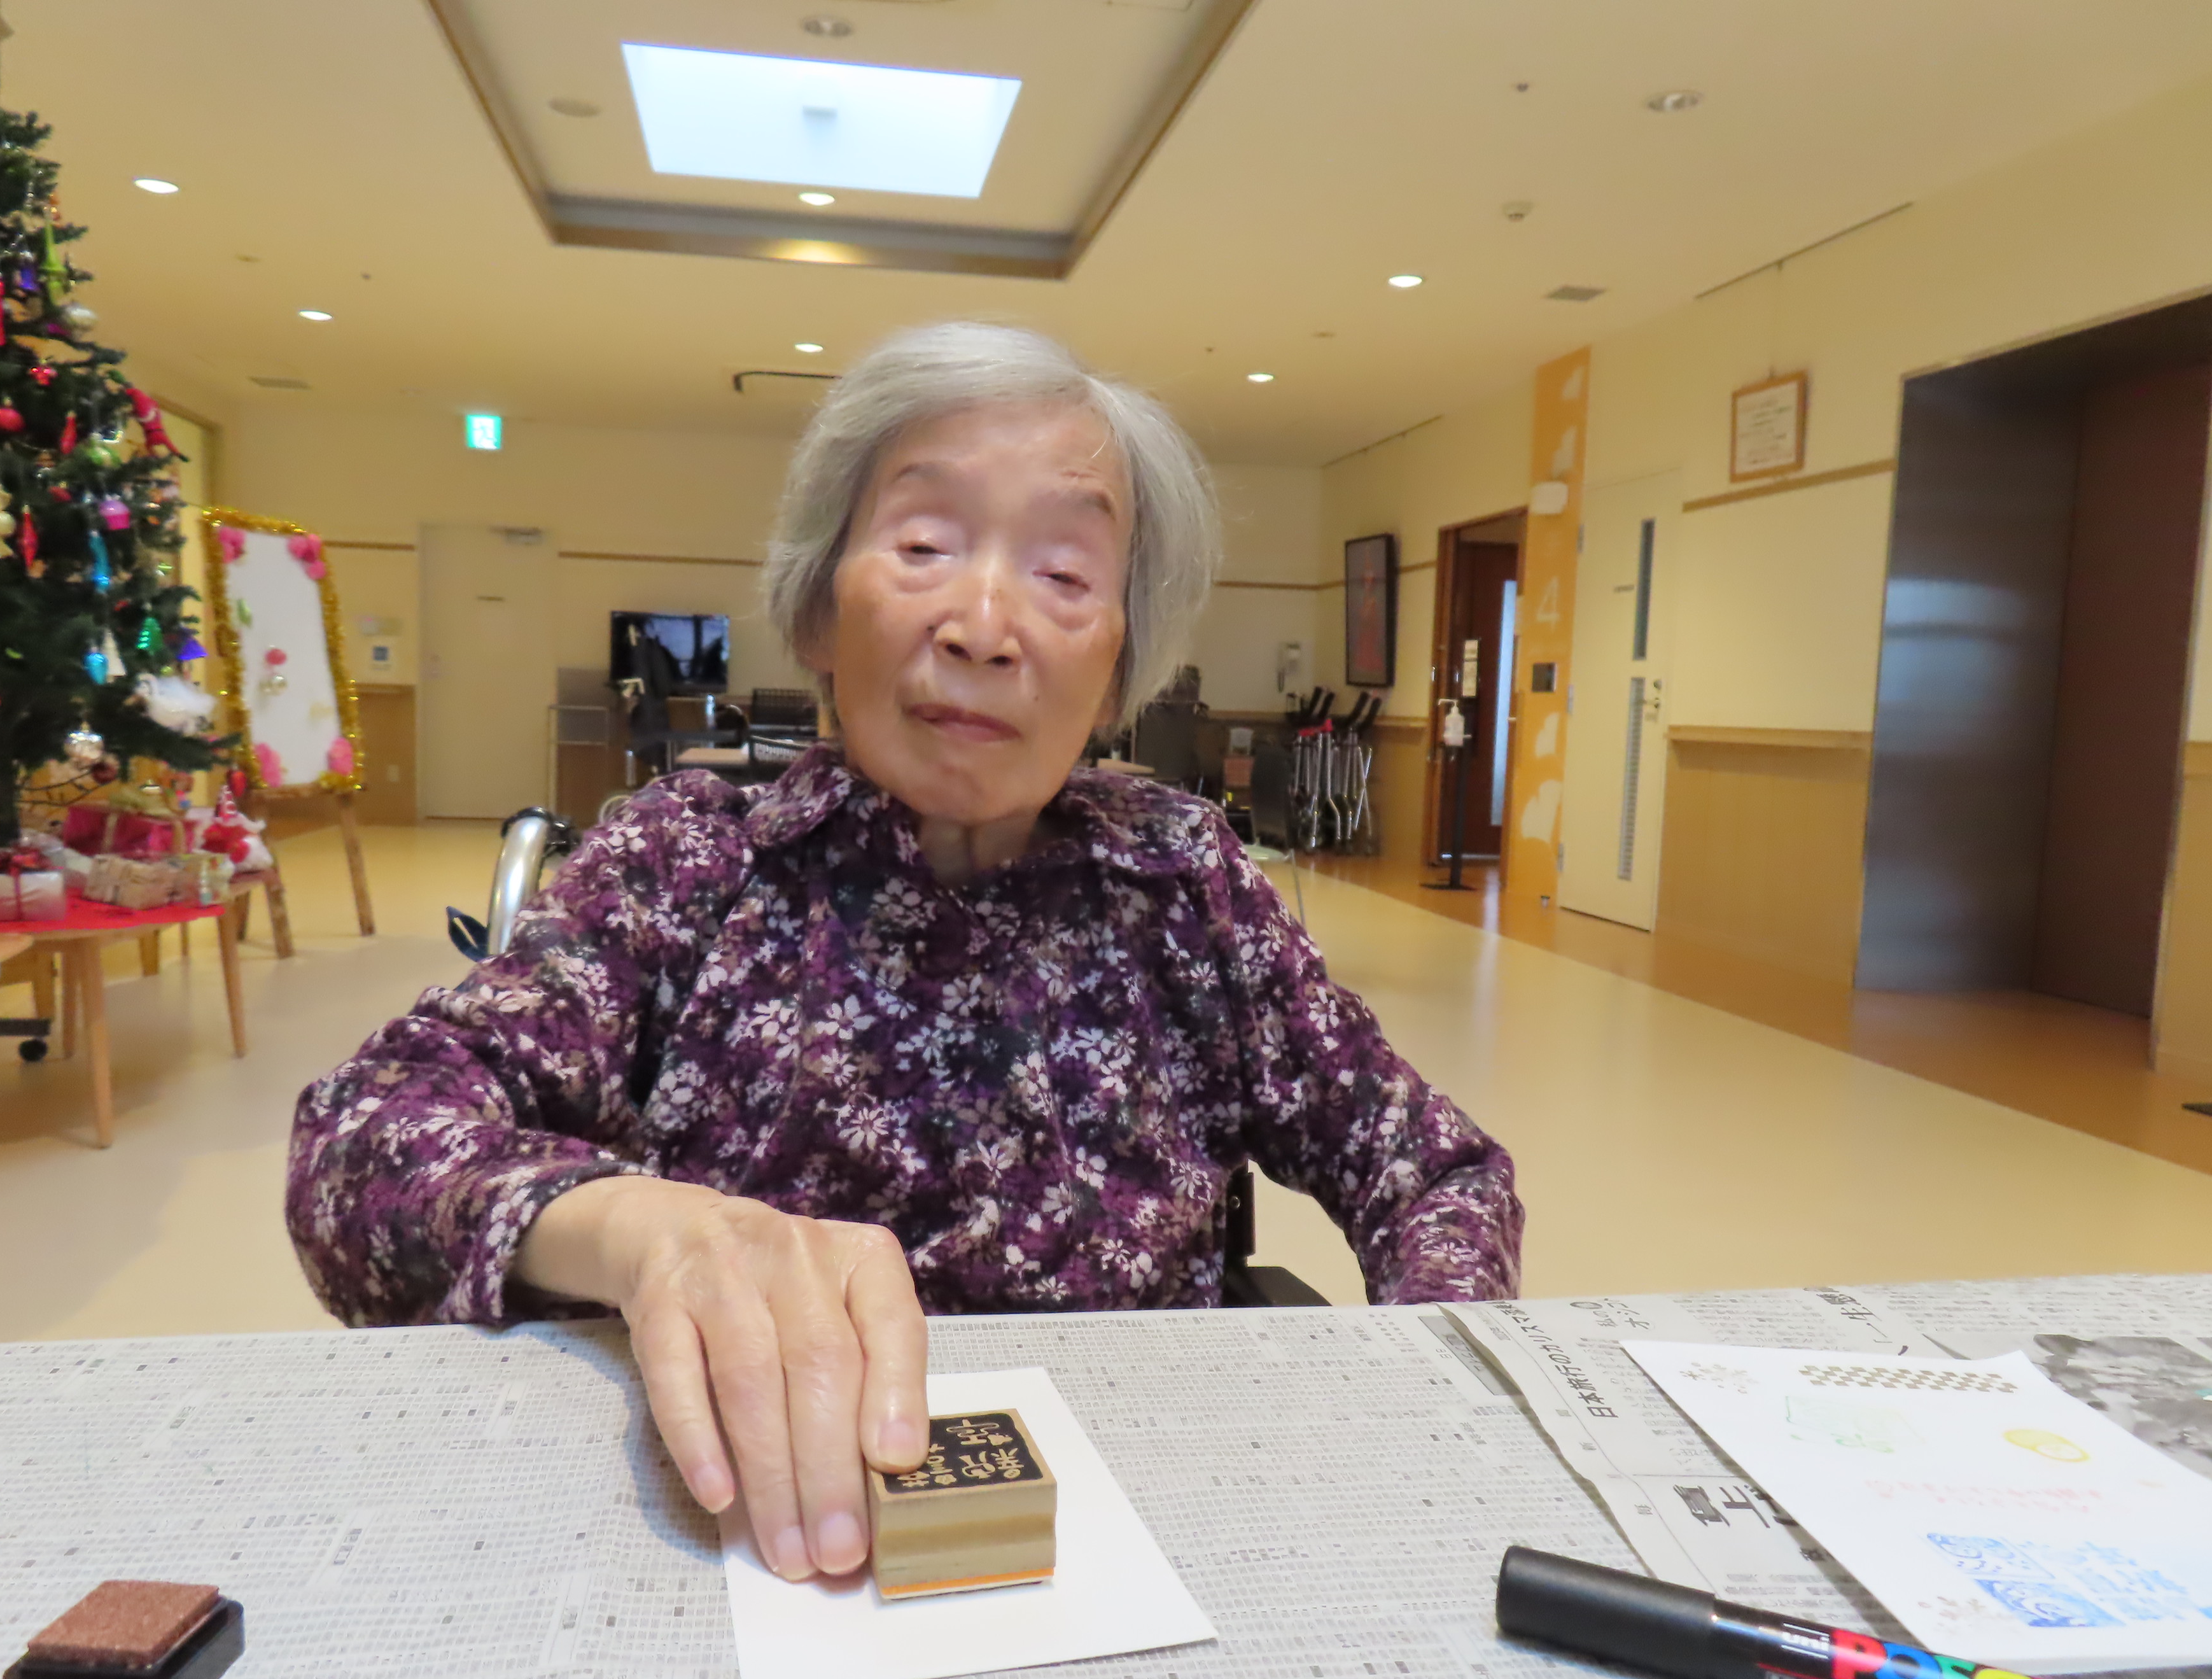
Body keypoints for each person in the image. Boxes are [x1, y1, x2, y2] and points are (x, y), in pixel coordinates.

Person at [287, 321, 1523, 1591]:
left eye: (1064, 573)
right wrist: (639, 1232)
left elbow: (1440, 1173)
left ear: (1117, 668)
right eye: (926, 546)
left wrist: (1399, 1411)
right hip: (754, 1548)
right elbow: (361, 1141)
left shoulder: (1181, 881)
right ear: (823, 605)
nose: (984, 626)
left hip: (1126, 1540)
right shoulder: (693, 862)